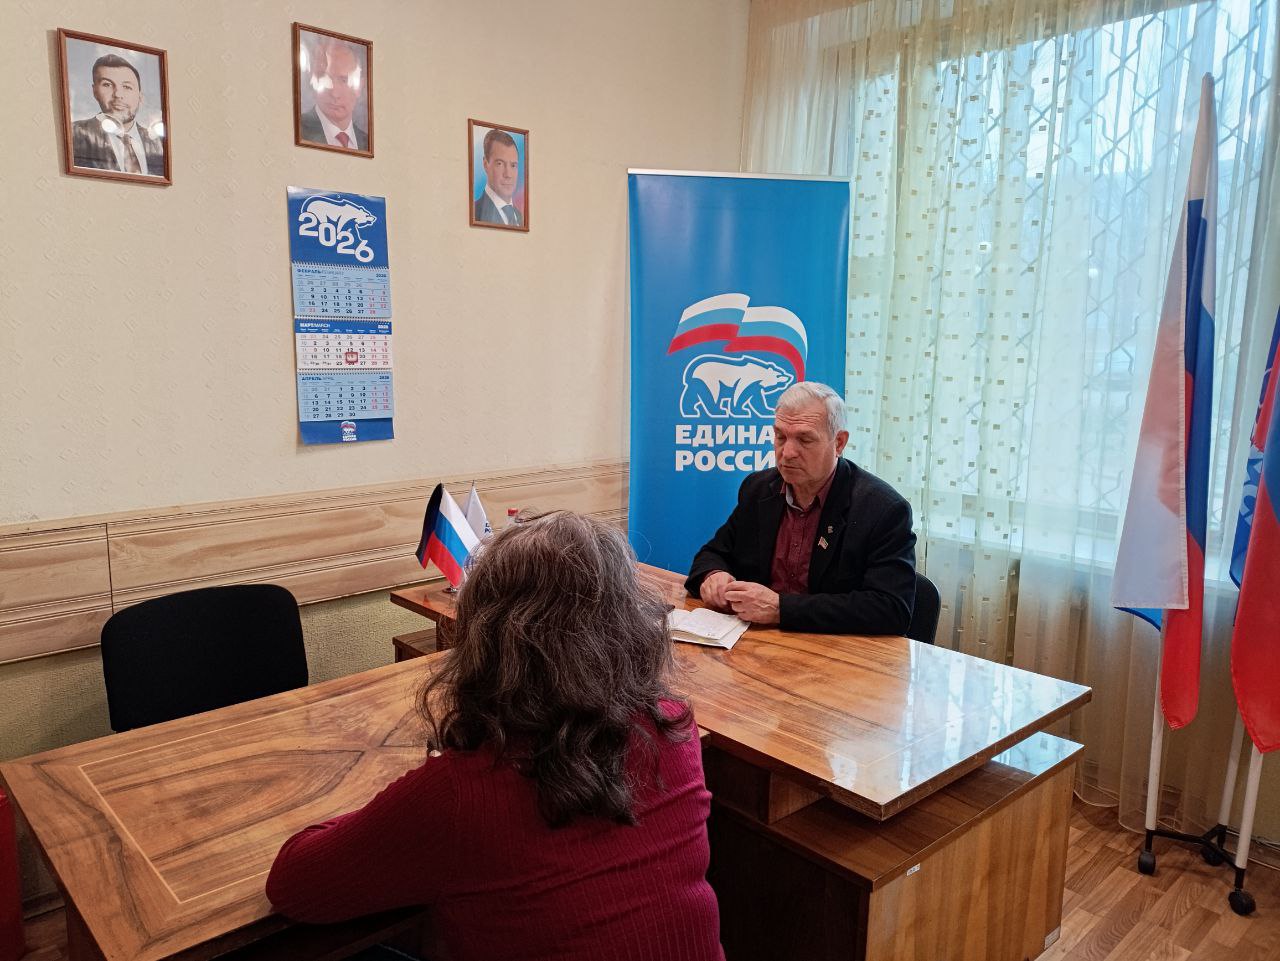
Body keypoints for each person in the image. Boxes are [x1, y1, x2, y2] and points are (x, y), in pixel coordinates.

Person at [267, 511, 723, 961]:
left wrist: (388, 814)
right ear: (630, 622)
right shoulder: (674, 728)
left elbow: (294, 884)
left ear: (484, 640)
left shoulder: (461, 793)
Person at [686, 381, 917, 635]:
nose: (787, 452)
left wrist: (781, 609)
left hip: (834, 649)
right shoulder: (759, 488)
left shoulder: (883, 510)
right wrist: (713, 575)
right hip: (759, 642)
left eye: (804, 440)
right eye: (780, 436)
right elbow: (713, 553)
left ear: (839, 443)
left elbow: (891, 608)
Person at [71, 53, 164, 175]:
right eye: (107, 85)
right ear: (95, 91)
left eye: (127, 87)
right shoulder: (74, 134)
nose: (118, 94)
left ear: (140, 96)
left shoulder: (160, 143)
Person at [299, 40, 368, 151]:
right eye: (325, 79)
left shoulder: (367, 142)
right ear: (313, 80)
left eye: (344, 80)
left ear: (359, 87)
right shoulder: (296, 129)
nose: (335, 94)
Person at [473, 128, 523, 226]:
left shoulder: (520, 217)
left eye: (513, 165)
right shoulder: (474, 213)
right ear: (485, 164)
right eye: (500, 164)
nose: (508, 175)